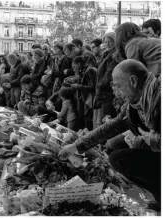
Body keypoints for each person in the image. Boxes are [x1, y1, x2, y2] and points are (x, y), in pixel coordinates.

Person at [59, 59, 160, 212]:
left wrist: (154, 140)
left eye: (118, 86)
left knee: (121, 156)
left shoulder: (159, 97)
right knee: (118, 155)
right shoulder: (135, 104)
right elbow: (112, 126)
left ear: (132, 81)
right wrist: (77, 146)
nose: (115, 92)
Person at [94, 32, 119, 129]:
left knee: (107, 122)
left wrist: (99, 86)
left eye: (110, 42)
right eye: (105, 42)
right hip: (104, 92)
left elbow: (108, 75)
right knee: (102, 121)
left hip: (108, 93)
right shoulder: (107, 54)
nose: (107, 44)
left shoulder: (114, 55)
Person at [69, 53, 97, 130]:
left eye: (74, 67)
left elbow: (93, 86)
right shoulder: (86, 70)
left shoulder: (89, 70)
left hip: (91, 98)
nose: (74, 70)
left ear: (78, 64)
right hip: (88, 98)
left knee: (88, 117)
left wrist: (78, 86)